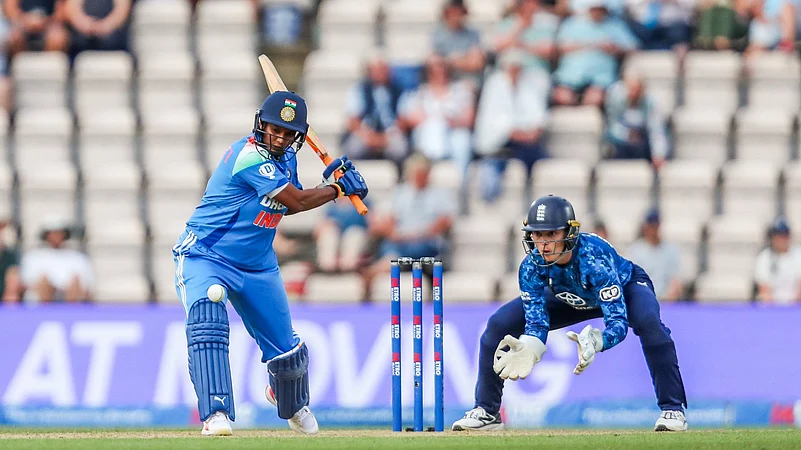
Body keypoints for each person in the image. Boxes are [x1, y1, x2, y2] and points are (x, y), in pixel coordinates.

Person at [173, 91, 368, 436]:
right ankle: (214, 414)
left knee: (287, 351)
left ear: (297, 137)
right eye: (272, 128)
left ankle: (290, 402)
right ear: (260, 123)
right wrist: (336, 190)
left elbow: (290, 199)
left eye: (285, 132)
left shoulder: (286, 160)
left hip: (258, 265)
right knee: (208, 323)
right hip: (206, 256)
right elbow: (295, 200)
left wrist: (330, 184)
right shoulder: (247, 155)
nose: (277, 136)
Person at [451, 194, 688, 432]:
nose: (543, 244)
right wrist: (532, 346)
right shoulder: (531, 267)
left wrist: (599, 341)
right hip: (568, 296)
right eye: (537, 234)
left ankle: (673, 409)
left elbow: (617, 321)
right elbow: (536, 322)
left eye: (551, 234)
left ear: (569, 233)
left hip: (624, 288)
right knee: (498, 325)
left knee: (649, 323)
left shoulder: (594, 259)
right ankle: (487, 411)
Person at [19, 215, 94, 303]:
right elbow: (26, 284)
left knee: (75, 282)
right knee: (44, 283)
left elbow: (87, 287)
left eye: (59, 232)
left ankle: (72, 313)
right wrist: (50, 288)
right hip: (41, 302)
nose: (56, 236)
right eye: (52, 233)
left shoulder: (78, 258)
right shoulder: (32, 257)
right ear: (46, 234)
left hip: (71, 300)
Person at [627, 209, 683, 301]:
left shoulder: (670, 250)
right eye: (650, 226)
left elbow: (675, 281)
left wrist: (670, 297)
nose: (653, 230)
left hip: (666, 300)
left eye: (655, 226)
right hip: (644, 300)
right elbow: (632, 280)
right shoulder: (636, 250)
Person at [754, 217, 801, 304]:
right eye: (778, 236)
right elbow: (764, 291)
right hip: (772, 309)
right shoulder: (764, 258)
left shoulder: (798, 255)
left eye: (784, 236)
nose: (781, 240)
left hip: (796, 308)